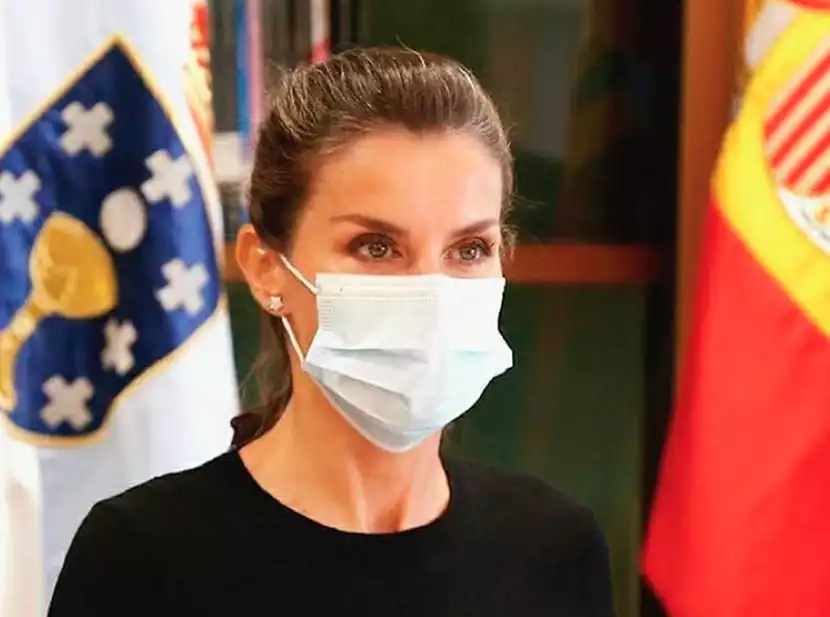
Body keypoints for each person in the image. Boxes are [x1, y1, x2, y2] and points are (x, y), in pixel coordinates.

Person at [48, 47, 614, 616]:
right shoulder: (142, 558)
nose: (431, 290)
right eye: (376, 246)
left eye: (469, 249)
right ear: (267, 268)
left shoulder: (554, 549)